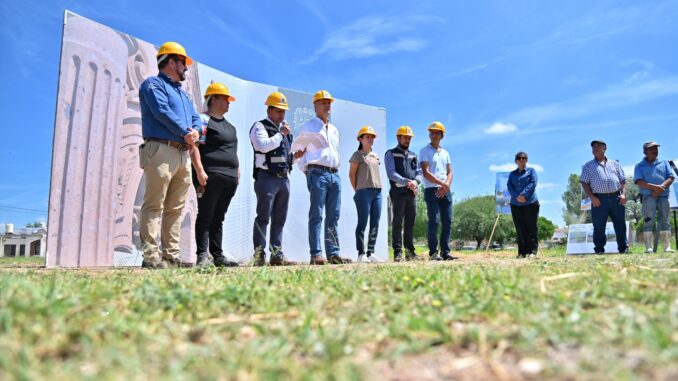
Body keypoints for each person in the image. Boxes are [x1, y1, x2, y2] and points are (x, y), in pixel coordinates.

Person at [138, 41, 201, 269]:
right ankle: (151, 256)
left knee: (176, 207)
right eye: (183, 62)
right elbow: (161, 112)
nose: (186, 67)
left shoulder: (183, 96)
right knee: (154, 204)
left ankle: (170, 256)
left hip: (182, 153)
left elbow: (196, 118)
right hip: (160, 149)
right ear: (171, 61)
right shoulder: (152, 84)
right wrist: (187, 133)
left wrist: (196, 131)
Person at [295, 90, 352, 265]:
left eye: (329, 103)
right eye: (323, 102)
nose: (327, 105)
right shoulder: (308, 126)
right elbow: (299, 153)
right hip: (317, 173)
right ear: (315, 106)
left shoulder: (334, 130)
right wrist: (307, 171)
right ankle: (316, 253)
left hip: (335, 174)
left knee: (333, 215)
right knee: (317, 214)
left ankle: (333, 253)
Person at [249, 92, 303, 266]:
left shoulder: (285, 132)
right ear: (269, 110)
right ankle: (259, 255)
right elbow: (262, 147)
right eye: (278, 111)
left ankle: (276, 254)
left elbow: (285, 157)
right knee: (263, 217)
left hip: (283, 179)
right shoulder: (259, 126)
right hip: (266, 178)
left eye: (284, 111)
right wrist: (281, 134)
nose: (282, 115)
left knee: (279, 219)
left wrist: (296, 156)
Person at [190, 82, 240, 267]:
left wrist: (237, 172)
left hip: (229, 178)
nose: (229, 102)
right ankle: (202, 255)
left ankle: (218, 255)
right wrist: (200, 171)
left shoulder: (231, 127)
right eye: (226, 98)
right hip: (210, 176)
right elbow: (194, 146)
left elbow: (233, 151)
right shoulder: (202, 120)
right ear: (214, 99)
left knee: (219, 216)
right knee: (205, 215)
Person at [580, 140, 628, 254]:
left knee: (620, 225)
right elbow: (584, 183)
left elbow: (623, 181)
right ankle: (599, 250)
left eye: (598, 146)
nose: (595, 149)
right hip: (599, 200)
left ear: (604, 148)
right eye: (593, 147)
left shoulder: (614, 163)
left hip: (617, 198)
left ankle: (623, 249)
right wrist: (592, 197)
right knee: (599, 226)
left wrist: (623, 194)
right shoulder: (588, 166)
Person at [419, 122, 457, 261]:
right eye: (432, 133)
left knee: (447, 221)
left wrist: (446, 184)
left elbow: (450, 172)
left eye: (437, 133)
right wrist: (442, 184)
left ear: (442, 135)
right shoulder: (424, 151)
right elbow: (425, 172)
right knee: (433, 221)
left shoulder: (446, 153)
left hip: (445, 189)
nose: (434, 135)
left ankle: (445, 252)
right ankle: (433, 253)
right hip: (431, 190)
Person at [384, 126, 422, 262]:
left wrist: (416, 182)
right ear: (398, 138)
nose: (407, 140)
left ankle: (410, 252)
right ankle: (398, 252)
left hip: (411, 193)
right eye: (405, 137)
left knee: (410, 222)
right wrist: (407, 182)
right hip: (397, 192)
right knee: (397, 222)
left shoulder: (413, 155)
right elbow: (391, 173)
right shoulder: (390, 153)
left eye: (409, 138)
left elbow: (419, 172)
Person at [349, 126, 384, 263]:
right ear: (360, 139)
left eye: (372, 136)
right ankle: (361, 253)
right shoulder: (357, 155)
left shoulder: (375, 156)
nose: (370, 138)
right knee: (362, 222)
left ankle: (371, 253)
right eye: (367, 136)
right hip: (363, 192)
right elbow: (351, 174)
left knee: (375, 223)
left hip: (378, 192)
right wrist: (357, 190)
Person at [633, 141, 675, 253]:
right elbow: (638, 181)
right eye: (651, 148)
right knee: (648, 221)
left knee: (665, 220)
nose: (654, 150)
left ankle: (667, 247)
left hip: (663, 197)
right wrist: (655, 188)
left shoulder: (664, 163)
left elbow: (670, 177)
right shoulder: (639, 166)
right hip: (647, 198)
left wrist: (660, 188)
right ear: (644, 151)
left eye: (656, 148)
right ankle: (648, 248)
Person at [507, 152, 540, 258]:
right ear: (516, 161)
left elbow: (533, 183)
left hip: (530, 203)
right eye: (519, 158)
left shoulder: (531, 171)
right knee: (520, 228)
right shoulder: (512, 174)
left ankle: (532, 251)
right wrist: (517, 196)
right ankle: (522, 252)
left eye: (523, 158)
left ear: (526, 160)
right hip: (516, 204)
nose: (521, 159)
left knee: (531, 227)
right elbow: (510, 187)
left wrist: (524, 195)